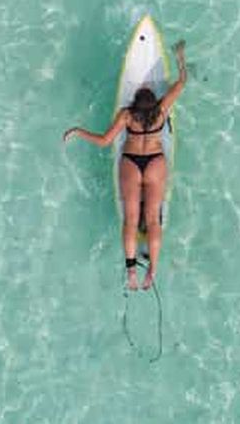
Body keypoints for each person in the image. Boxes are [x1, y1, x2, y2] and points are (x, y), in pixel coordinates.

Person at [63, 40, 187, 290]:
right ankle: (152, 271)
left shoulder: (127, 115)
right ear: (153, 102)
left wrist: (77, 131)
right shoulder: (162, 111)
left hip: (131, 163)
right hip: (155, 163)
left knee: (130, 220)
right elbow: (182, 82)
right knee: (153, 220)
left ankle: (131, 271)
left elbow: (104, 141)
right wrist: (180, 57)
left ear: (134, 103)